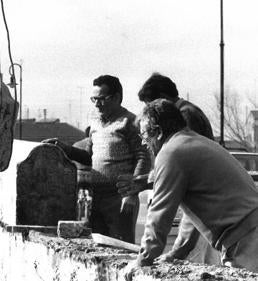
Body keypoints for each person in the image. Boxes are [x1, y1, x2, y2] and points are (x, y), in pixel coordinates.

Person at [123, 99, 258, 279]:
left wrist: (143, 259)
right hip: (250, 231)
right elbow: (193, 213)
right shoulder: (191, 142)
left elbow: (159, 212)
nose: (143, 143)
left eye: (144, 136)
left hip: (246, 238)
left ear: (158, 132)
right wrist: (177, 252)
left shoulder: (170, 152)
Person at [119, 73, 218, 265]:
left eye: (150, 104)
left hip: (217, 218)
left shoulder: (184, 119)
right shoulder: (186, 115)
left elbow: (177, 170)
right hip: (212, 214)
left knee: (197, 262)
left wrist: (145, 257)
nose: (149, 111)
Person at [48, 75, 150, 243]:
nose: (96, 104)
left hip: (120, 198)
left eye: (102, 99)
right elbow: (89, 157)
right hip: (96, 198)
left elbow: (143, 157)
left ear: (117, 97)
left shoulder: (130, 122)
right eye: (94, 99)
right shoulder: (94, 123)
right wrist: (64, 148)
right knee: (98, 244)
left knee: (120, 246)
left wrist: (132, 192)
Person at [137, 73, 213, 140]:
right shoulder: (188, 110)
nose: (150, 112)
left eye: (151, 106)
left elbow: (187, 150)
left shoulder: (185, 114)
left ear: (162, 98)